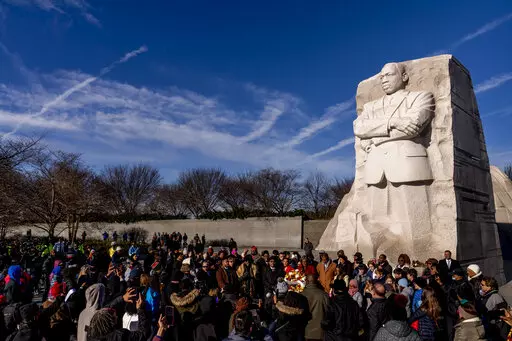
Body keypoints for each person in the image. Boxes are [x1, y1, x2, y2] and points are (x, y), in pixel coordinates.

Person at [301, 274, 329, 341]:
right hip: (320, 332)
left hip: (306, 331)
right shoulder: (324, 295)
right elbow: (328, 312)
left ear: (307, 281)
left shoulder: (302, 294)